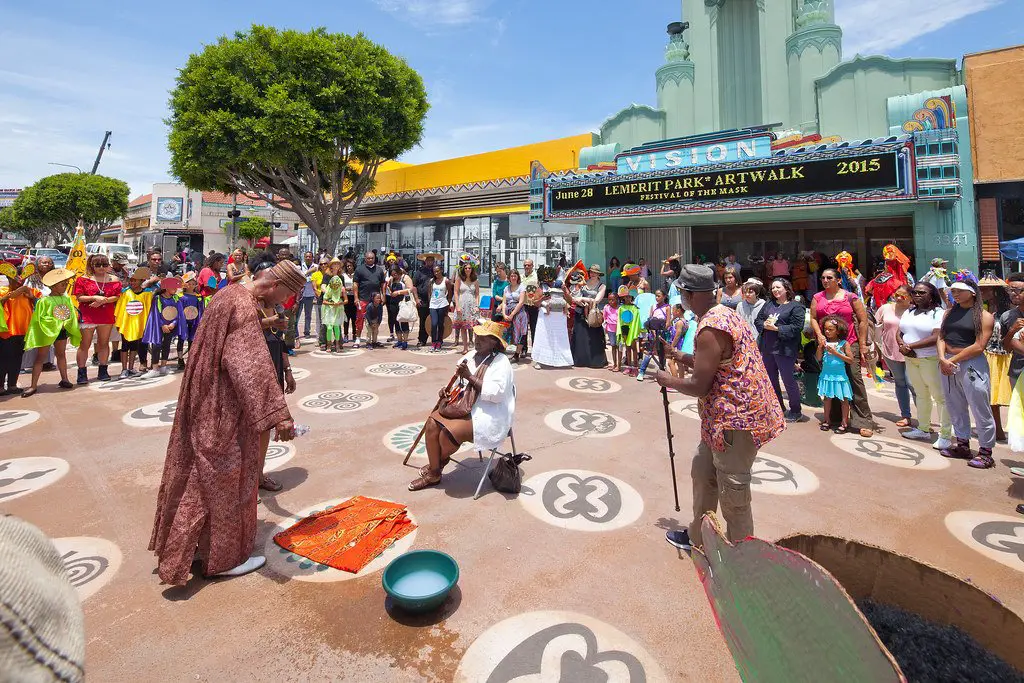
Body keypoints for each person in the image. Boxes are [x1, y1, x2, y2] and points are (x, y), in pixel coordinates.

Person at [149, 259, 304, 585]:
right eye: (286, 296)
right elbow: (251, 369)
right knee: (228, 483)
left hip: (203, 400)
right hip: (224, 410)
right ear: (275, 285)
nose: (283, 304)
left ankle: (189, 549)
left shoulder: (229, 294)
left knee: (200, 476)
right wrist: (281, 416)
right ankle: (225, 559)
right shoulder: (245, 308)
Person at [658, 264, 785, 551]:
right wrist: (680, 355)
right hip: (719, 421)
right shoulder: (725, 313)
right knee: (703, 472)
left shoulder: (711, 326)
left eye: (681, 292)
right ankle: (699, 536)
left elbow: (699, 386)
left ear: (689, 294)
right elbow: (718, 361)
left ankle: (743, 557)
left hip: (736, 423)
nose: (681, 298)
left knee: (733, 495)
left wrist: (669, 380)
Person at [408, 319, 515, 491]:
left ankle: (436, 467)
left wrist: (470, 377)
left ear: (494, 342)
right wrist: (446, 389)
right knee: (431, 424)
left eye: (484, 338)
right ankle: (435, 470)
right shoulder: (470, 355)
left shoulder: (501, 362)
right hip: (462, 405)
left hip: (487, 412)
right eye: (476, 335)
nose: (477, 340)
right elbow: (459, 383)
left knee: (446, 434)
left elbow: (496, 395)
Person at [248, 253, 298, 493]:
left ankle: (258, 475)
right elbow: (241, 329)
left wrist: (287, 371)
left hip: (275, 366)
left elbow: (280, 342)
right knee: (247, 427)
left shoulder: (277, 307)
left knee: (267, 426)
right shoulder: (247, 303)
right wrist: (269, 323)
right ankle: (243, 484)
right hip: (251, 371)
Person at [937, 277, 996, 467]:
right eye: (953, 291)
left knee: (980, 406)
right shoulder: (948, 313)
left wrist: (951, 359)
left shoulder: (984, 316)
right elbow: (941, 336)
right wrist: (942, 358)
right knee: (954, 404)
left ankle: (986, 451)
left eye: (959, 290)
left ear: (972, 292)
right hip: (948, 361)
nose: (955, 294)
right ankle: (962, 444)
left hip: (971, 363)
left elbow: (979, 345)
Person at [810, 268, 875, 437]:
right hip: (828, 343)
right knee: (832, 377)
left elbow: (863, 321)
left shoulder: (851, 297)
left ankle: (863, 420)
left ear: (838, 280)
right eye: (823, 277)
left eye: (829, 277)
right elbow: (813, 318)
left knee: (854, 378)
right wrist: (819, 336)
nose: (825, 280)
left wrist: (862, 345)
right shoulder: (818, 297)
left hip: (849, 341)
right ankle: (837, 417)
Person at [897, 282, 952, 448]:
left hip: (930, 359)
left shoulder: (938, 313)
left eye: (922, 292)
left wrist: (910, 347)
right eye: (915, 292)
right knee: (921, 394)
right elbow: (900, 332)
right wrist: (902, 346)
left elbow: (936, 336)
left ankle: (945, 435)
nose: (917, 295)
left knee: (940, 397)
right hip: (911, 359)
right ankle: (923, 428)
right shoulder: (909, 311)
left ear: (932, 295)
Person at [22, 268, 79, 397]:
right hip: (47, 332)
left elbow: (70, 314)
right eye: (62, 284)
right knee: (41, 357)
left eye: (65, 284)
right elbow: (41, 318)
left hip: (61, 331)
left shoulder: (66, 299)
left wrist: (67, 323)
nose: (64, 287)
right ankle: (33, 385)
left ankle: (65, 379)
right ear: (53, 286)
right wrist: (57, 323)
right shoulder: (44, 300)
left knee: (61, 354)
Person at [755, 278, 806, 422]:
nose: (775, 290)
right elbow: (758, 320)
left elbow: (797, 327)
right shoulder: (769, 304)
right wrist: (764, 325)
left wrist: (778, 329)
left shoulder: (796, 306)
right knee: (771, 379)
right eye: (773, 288)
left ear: (786, 289)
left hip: (785, 348)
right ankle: (778, 407)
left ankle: (796, 410)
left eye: (778, 287)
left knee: (788, 379)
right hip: (768, 347)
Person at [73, 254, 123, 384]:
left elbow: (117, 296)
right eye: (98, 265)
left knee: (104, 343)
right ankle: (82, 372)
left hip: (106, 315)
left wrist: (103, 300)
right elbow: (79, 297)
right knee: (85, 344)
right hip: (88, 314)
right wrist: (95, 298)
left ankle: (103, 370)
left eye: (104, 264)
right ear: (92, 265)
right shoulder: (83, 279)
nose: (101, 267)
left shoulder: (114, 279)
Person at [875, 285, 915, 428]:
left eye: (903, 296)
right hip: (890, 351)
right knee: (900, 382)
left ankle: (924, 418)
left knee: (913, 384)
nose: (898, 298)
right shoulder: (885, 308)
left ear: (910, 297)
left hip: (912, 353)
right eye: (896, 294)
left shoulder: (915, 311)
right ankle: (905, 415)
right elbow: (876, 326)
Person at [979, 273, 1012, 441]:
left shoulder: (1008, 311)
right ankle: (997, 429)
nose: (982, 291)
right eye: (980, 289)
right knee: (990, 396)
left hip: (1006, 355)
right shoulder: (983, 308)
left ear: (996, 291)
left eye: (985, 289)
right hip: (988, 354)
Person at [0, 266, 36, 395]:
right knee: (3, 359)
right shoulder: (3, 291)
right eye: (14, 280)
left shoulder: (29, 291)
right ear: (8, 279)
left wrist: (31, 296)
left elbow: (41, 304)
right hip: (6, 332)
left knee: (17, 358)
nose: (17, 283)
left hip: (23, 331)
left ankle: (12, 385)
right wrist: (6, 298)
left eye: (20, 281)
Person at [817, 315, 855, 432]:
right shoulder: (825, 344)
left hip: (840, 376)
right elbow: (818, 358)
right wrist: (820, 347)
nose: (827, 332)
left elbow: (850, 359)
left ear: (838, 331)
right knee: (827, 399)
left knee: (844, 399)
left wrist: (836, 353)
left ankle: (844, 422)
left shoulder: (843, 344)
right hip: (827, 375)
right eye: (825, 329)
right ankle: (827, 420)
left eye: (831, 329)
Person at [565, 264, 608, 369]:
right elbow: (575, 297)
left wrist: (584, 299)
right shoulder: (583, 283)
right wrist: (579, 300)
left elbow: (597, 300)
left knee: (593, 338)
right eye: (592, 272)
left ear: (599, 274)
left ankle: (595, 361)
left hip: (593, 314)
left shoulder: (602, 286)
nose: (593, 274)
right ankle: (580, 360)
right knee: (580, 336)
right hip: (580, 312)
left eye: (595, 273)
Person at [114, 267, 154, 378]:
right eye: (130, 280)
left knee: (134, 347)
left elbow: (149, 309)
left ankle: (131, 368)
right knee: (125, 346)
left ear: (141, 281)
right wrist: (119, 322)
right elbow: (120, 308)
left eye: (135, 280)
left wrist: (147, 324)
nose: (132, 282)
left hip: (139, 324)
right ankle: (124, 369)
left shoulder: (147, 294)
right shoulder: (125, 293)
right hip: (127, 323)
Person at [141, 278, 185, 378]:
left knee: (167, 345)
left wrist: (174, 323)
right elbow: (155, 313)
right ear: (165, 287)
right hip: (159, 326)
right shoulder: (157, 299)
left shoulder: (176, 298)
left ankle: (163, 366)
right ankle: (155, 368)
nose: (175, 289)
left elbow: (179, 313)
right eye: (173, 287)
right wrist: (162, 324)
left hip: (170, 326)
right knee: (156, 345)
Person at [531, 266, 573, 369]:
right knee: (543, 338)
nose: (548, 279)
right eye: (545, 277)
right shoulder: (541, 287)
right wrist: (542, 298)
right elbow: (535, 303)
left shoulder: (561, 285)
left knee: (559, 338)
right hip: (545, 317)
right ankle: (540, 361)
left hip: (559, 317)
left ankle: (561, 360)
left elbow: (570, 301)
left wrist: (565, 291)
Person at [636, 289, 671, 381]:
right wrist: (653, 332)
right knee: (649, 352)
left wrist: (661, 332)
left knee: (661, 354)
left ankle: (661, 372)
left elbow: (668, 322)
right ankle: (642, 372)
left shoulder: (667, 307)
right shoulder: (653, 306)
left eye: (659, 296)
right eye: (656, 295)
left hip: (662, 334)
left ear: (664, 296)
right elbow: (650, 321)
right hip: (652, 334)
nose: (657, 297)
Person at [354, 251, 386, 348]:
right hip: (363, 299)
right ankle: (358, 339)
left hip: (375, 301)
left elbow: (382, 284)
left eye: (372, 258)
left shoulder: (379, 270)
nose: (370, 260)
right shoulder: (359, 270)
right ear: (365, 258)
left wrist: (383, 295)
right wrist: (356, 298)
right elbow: (355, 284)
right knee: (360, 320)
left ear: (374, 258)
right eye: (368, 258)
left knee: (375, 320)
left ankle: (374, 340)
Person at [452, 259, 481, 354]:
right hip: (462, 304)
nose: (467, 269)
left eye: (469, 268)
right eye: (466, 268)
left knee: (475, 326)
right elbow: (456, 293)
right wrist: (457, 306)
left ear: (472, 269)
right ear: (463, 269)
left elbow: (477, 294)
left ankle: (476, 346)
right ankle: (465, 347)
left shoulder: (475, 280)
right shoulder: (459, 279)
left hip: (472, 305)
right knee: (463, 327)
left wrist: (477, 305)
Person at [414, 253, 440, 348]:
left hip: (436, 300)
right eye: (428, 260)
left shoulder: (437, 271)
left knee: (436, 321)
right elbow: (414, 286)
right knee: (423, 321)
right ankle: (422, 339)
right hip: (423, 300)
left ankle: (436, 340)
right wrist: (417, 299)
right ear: (425, 261)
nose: (430, 262)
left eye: (432, 260)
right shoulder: (419, 272)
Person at [502, 268, 528, 362]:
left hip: (519, 313)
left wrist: (512, 314)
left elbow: (521, 302)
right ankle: (502, 353)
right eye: (511, 276)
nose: (513, 278)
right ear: (509, 277)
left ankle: (516, 354)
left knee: (521, 333)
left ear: (517, 277)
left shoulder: (521, 287)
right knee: (505, 333)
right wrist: (504, 314)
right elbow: (504, 302)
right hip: (508, 312)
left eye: (515, 276)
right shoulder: (506, 288)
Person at [427, 264, 453, 352]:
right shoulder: (431, 281)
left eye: (438, 271)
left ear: (441, 270)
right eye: (434, 272)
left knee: (440, 324)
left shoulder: (446, 281)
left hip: (442, 304)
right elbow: (429, 292)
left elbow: (450, 294)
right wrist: (430, 301)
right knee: (434, 324)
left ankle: (439, 342)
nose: (436, 273)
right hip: (433, 305)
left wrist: (448, 305)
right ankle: (433, 342)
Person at [385, 266, 413, 343]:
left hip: (403, 303)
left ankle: (405, 341)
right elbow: (388, 287)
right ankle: (399, 340)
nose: (394, 276)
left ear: (399, 272)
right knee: (396, 321)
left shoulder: (405, 278)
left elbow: (410, 289)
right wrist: (390, 291)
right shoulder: (392, 279)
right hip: (393, 303)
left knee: (404, 321)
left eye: (395, 274)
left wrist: (398, 292)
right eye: (392, 274)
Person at [321, 275, 347, 352]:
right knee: (329, 328)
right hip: (329, 310)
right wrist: (332, 304)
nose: (335, 287)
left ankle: (337, 344)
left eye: (336, 286)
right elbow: (324, 301)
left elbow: (346, 300)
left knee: (336, 327)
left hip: (338, 310)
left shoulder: (342, 289)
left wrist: (340, 303)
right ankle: (328, 344)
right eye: (334, 286)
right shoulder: (329, 288)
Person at [296, 252, 317, 338]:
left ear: (312, 258)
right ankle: (295, 333)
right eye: (306, 256)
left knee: (308, 315)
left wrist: (306, 276)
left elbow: (313, 279)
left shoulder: (316, 266)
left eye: (310, 257)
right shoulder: (300, 266)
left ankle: (307, 332)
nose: (308, 258)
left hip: (310, 294)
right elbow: (300, 277)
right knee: (297, 314)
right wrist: (308, 274)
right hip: (300, 295)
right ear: (304, 257)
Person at [522, 259, 539, 353]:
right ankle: (524, 349)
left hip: (534, 305)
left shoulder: (537, 276)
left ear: (532, 266)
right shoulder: (521, 277)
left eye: (529, 265)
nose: (527, 267)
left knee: (534, 328)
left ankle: (535, 349)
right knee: (523, 328)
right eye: (525, 265)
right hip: (523, 305)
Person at [342, 259, 360, 344]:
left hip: (354, 297)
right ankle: (345, 335)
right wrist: (347, 289)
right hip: (346, 298)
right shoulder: (343, 275)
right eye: (347, 266)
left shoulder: (356, 275)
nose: (349, 267)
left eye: (351, 266)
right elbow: (341, 287)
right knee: (346, 318)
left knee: (354, 317)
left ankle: (354, 334)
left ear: (353, 266)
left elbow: (358, 286)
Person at [603, 291, 621, 372]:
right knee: (613, 346)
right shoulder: (606, 308)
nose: (610, 302)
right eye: (609, 300)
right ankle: (615, 364)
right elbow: (604, 318)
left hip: (619, 330)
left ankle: (619, 365)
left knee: (619, 347)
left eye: (612, 300)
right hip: (610, 330)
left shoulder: (620, 308)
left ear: (617, 300)